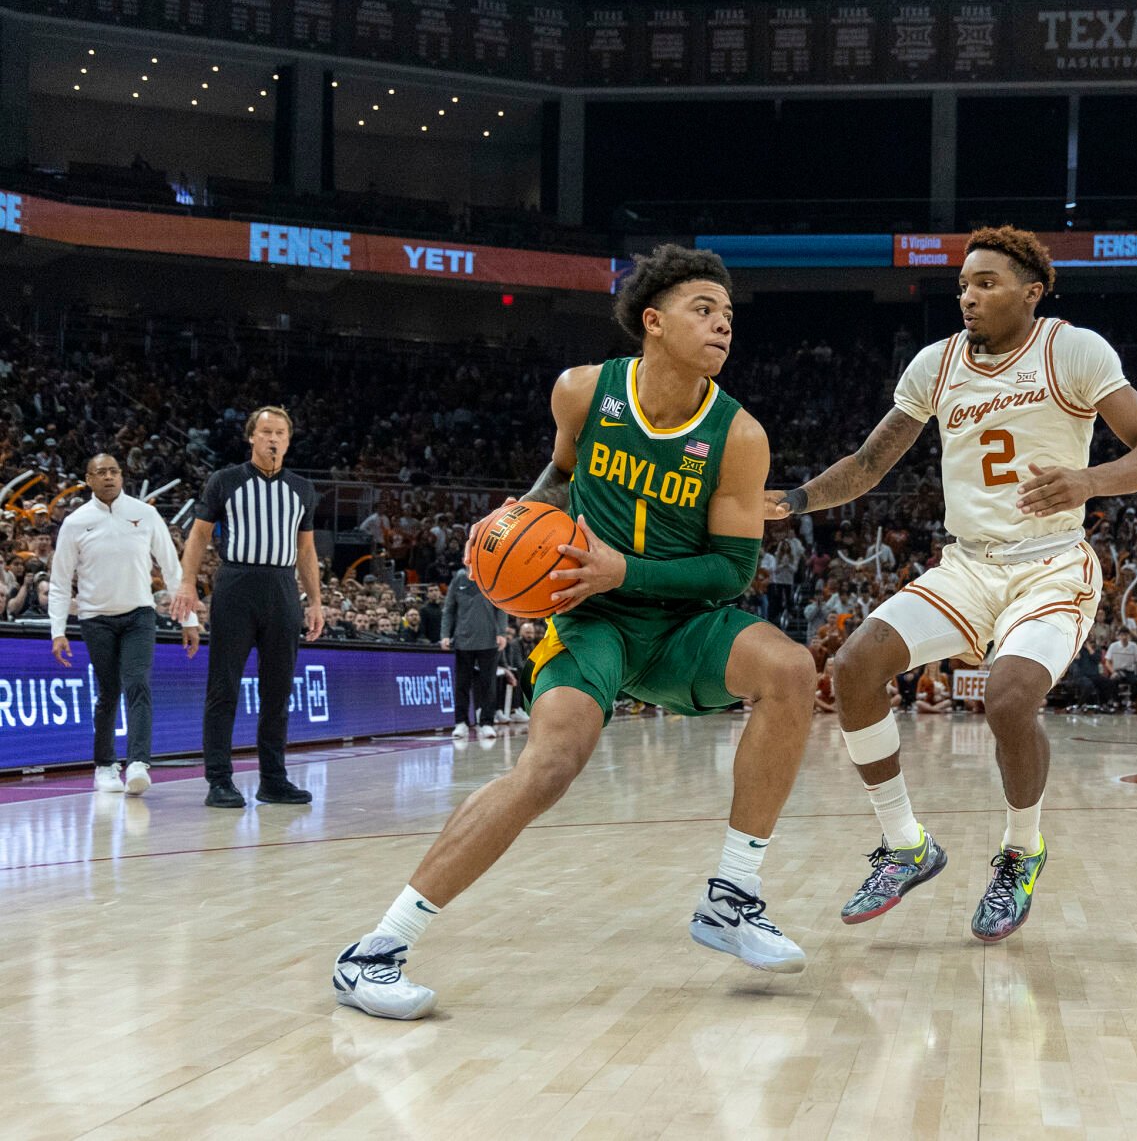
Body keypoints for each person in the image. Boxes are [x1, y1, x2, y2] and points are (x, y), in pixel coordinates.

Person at [331, 245, 817, 1020]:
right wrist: (506, 529)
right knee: (549, 766)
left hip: (679, 622)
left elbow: (730, 571)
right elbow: (557, 478)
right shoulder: (583, 392)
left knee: (791, 669)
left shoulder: (738, 435)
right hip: (589, 620)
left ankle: (733, 896)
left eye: (728, 315)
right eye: (703, 309)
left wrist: (627, 570)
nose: (722, 324)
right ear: (652, 322)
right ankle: (375, 950)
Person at [766, 225, 1137, 942]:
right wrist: (794, 500)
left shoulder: (1070, 349)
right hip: (969, 564)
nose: (968, 296)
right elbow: (867, 465)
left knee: (1010, 696)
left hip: (1050, 562)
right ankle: (905, 844)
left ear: (1031, 291)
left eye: (986, 282)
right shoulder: (937, 363)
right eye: (962, 284)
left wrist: (1085, 479)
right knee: (854, 665)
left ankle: (1021, 851)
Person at [171, 407, 323, 809]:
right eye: (266, 431)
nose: (273, 438)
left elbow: (305, 549)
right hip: (237, 584)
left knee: (278, 692)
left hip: (282, 588)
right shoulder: (225, 481)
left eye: (280, 433)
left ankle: (273, 780)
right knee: (223, 687)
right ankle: (219, 780)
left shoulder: (303, 489)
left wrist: (316, 601)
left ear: (288, 441)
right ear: (251, 437)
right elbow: (200, 535)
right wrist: (188, 582)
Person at [48, 452, 201, 795]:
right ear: (88, 479)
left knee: (137, 685)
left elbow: (172, 568)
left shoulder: (144, 514)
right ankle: (104, 766)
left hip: (139, 615)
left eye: (114, 471)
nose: (109, 477)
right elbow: (60, 582)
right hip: (95, 619)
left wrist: (188, 619)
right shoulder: (75, 522)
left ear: (122, 475)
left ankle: (138, 763)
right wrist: (58, 631)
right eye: (100, 472)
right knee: (108, 692)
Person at [441, 566, 507, 745]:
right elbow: (448, 609)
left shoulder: (492, 576)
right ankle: (460, 722)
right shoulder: (459, 579)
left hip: (488, 640)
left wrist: (502, 632)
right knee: (462, 684)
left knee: (488, 683)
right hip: (463, 640)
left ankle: (487, 722)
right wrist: (445, 634)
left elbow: (501, 607)